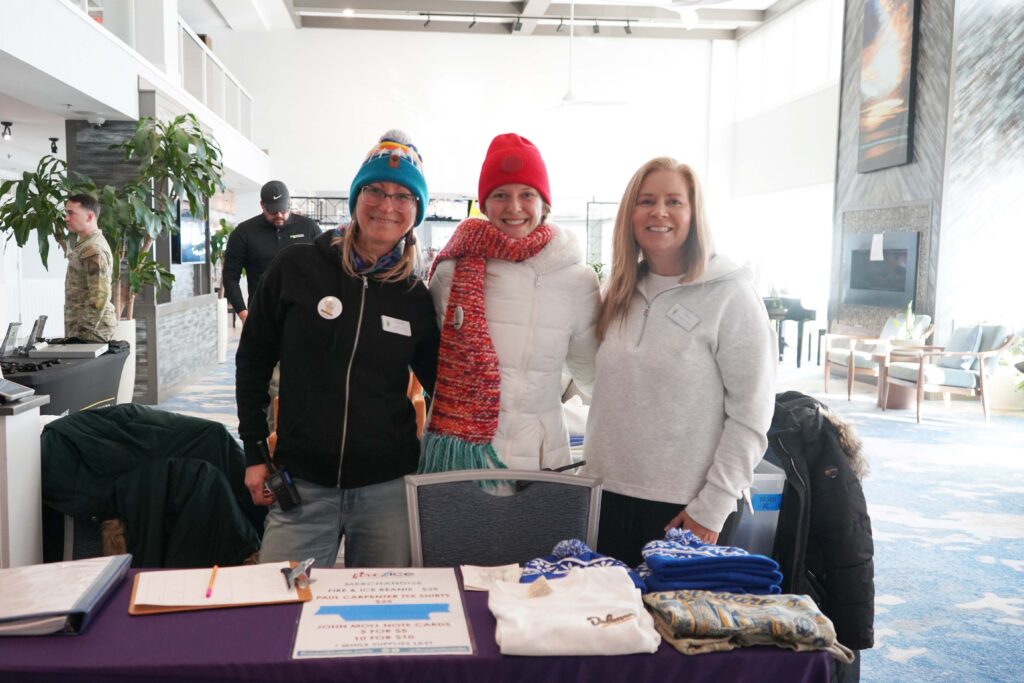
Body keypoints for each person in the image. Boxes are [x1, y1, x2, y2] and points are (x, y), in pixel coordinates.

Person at [235, 130, 439, 568]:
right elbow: (253, 360)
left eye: (403, 196)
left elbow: (443, 383)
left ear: (416, 210)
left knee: (383, 618)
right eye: (375, 190)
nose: (387, 205)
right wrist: (254, 451)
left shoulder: (414, 297)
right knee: (279, 610)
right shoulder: (297, 268)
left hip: (387, 489)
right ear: (356, 196)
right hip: (303, 484)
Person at [582, 157, 777, 567]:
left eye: (675, 201)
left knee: (675, 630)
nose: (659, 212)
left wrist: (714, 506)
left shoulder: (731, 295)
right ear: (630, 214)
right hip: (606, 496)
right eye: (646, 200)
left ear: (694, 213)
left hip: (686, 508)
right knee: (610, 624)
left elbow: (751, 413)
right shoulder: (617, 292)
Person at [419, 133, 600, 477]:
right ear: (485, 204)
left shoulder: (577, 281)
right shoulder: (451, 273)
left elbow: (591, 375)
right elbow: (431, 365)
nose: (514, 207)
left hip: (542, 458)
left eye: (527, 194)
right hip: (460, 458)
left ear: (544, 203)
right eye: (501, 195)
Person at [223, 180, 321, 322]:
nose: (279, 215)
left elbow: (323, 269)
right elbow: (230, 276)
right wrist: (243, 314)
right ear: (262, 205)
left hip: (303, 314)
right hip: (262, 315)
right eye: (273, 211)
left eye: (283, 210)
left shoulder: (309, 228)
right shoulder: (243, 233)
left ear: (289, 203)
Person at [63, 193, 117, 342]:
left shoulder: (93, 248)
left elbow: (100, 295)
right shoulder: (86, 244)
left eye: (71, 213)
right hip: (84, 327)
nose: (66, 218)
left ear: (89, 216)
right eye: (66, 213)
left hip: (92, 331)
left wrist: (83, 333)